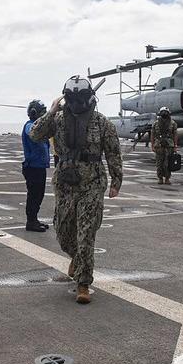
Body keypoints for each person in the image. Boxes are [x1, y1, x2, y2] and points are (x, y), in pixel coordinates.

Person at [30, 76, 123, 304]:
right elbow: (35, 134)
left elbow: (113, 153)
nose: (77, 104)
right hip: (65, 183)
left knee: (86, 232)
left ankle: (83, 283)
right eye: (72, 99)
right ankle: (76, 258)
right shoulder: (59, 120)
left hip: (92, 183)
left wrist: (116, 181)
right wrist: (51, 111)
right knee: (63, 231)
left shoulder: (102, 123)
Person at [22, 100, 51, 232]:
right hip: (33, 167)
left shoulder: (40, 127)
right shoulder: (29, 126)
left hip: (39, 167)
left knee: (39, 195)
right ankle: (31, 221)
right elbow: (33, 134)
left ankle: (34, 218)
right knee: (34, 195)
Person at [150, 107, 178, 184]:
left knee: (168, 163)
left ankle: (167, 178)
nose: (164, 113)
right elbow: (152, 135)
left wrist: (175, 146)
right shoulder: (155, 123)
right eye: (163, 112)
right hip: (159, 145)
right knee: (159, 163)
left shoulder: (173, 123)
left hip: (169, 145)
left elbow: (175, 135)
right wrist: (152, 145)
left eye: (166, 112)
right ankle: (160, 178)